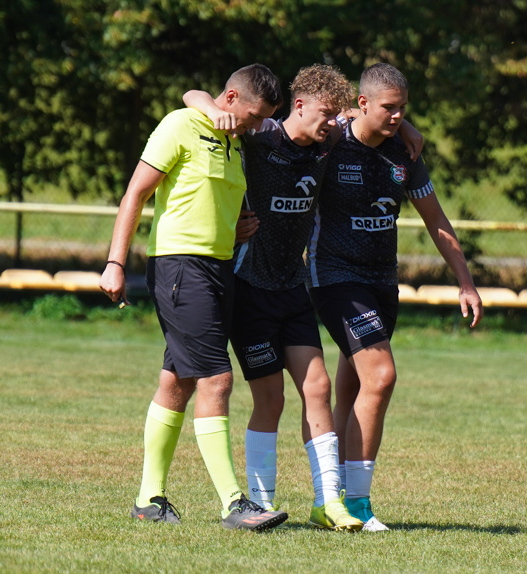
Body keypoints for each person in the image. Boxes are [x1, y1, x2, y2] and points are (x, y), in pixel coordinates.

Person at [181, 64, 423, 530]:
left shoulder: (327, 142)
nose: (332, 124)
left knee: (318, 387)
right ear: (298, 106)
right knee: (269, 399)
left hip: (293, 287)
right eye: (325, 114)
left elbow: (363, 114)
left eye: (336, 116)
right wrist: (212, 106)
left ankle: (329, 501)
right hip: (250, 287)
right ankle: (259, 503)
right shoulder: (262, 136)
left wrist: (405, 123)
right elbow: (193, 92)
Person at [99, 63, 289, 531]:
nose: (256, 125)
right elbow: (135, 194)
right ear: (229, 98)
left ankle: (148, 500)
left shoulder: (233, 141)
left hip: (218, 268)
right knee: (216, 380)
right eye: (253, 115)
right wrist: (115, 262)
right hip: (181, 267)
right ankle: (232, 504)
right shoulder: (181, 124)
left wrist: (237, 227)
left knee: (177, 382)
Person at [306, 63, 483, 532]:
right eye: (389, 107)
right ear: (362, 104)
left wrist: (465, 282)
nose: (397, 115)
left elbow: (436, 220)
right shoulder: (330, 142)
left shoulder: (404, 154)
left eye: (403, 108)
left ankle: (333, 501)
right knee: (381, 376)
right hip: (336, 278)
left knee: (354, 388)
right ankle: (360, 506)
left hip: (382, 282)